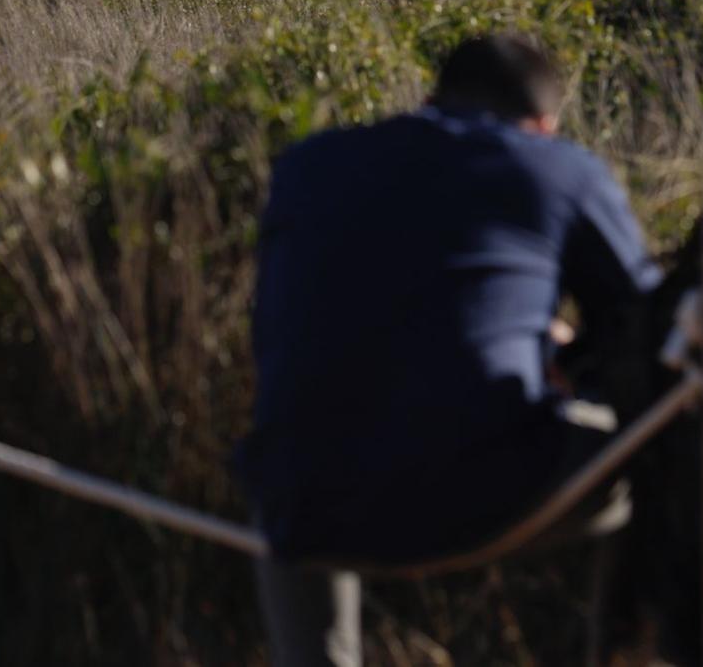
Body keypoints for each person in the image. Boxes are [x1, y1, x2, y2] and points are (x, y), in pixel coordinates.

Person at [236, 33, 662, 667]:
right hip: (474, 491)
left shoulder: (307, 164)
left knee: (303, 454)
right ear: (543, 125)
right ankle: (624, 649)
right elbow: (648, 327)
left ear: (429, 99)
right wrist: (570, 366)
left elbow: (289, 329)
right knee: (647, 445)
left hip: (300, 505)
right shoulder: (555, 168)